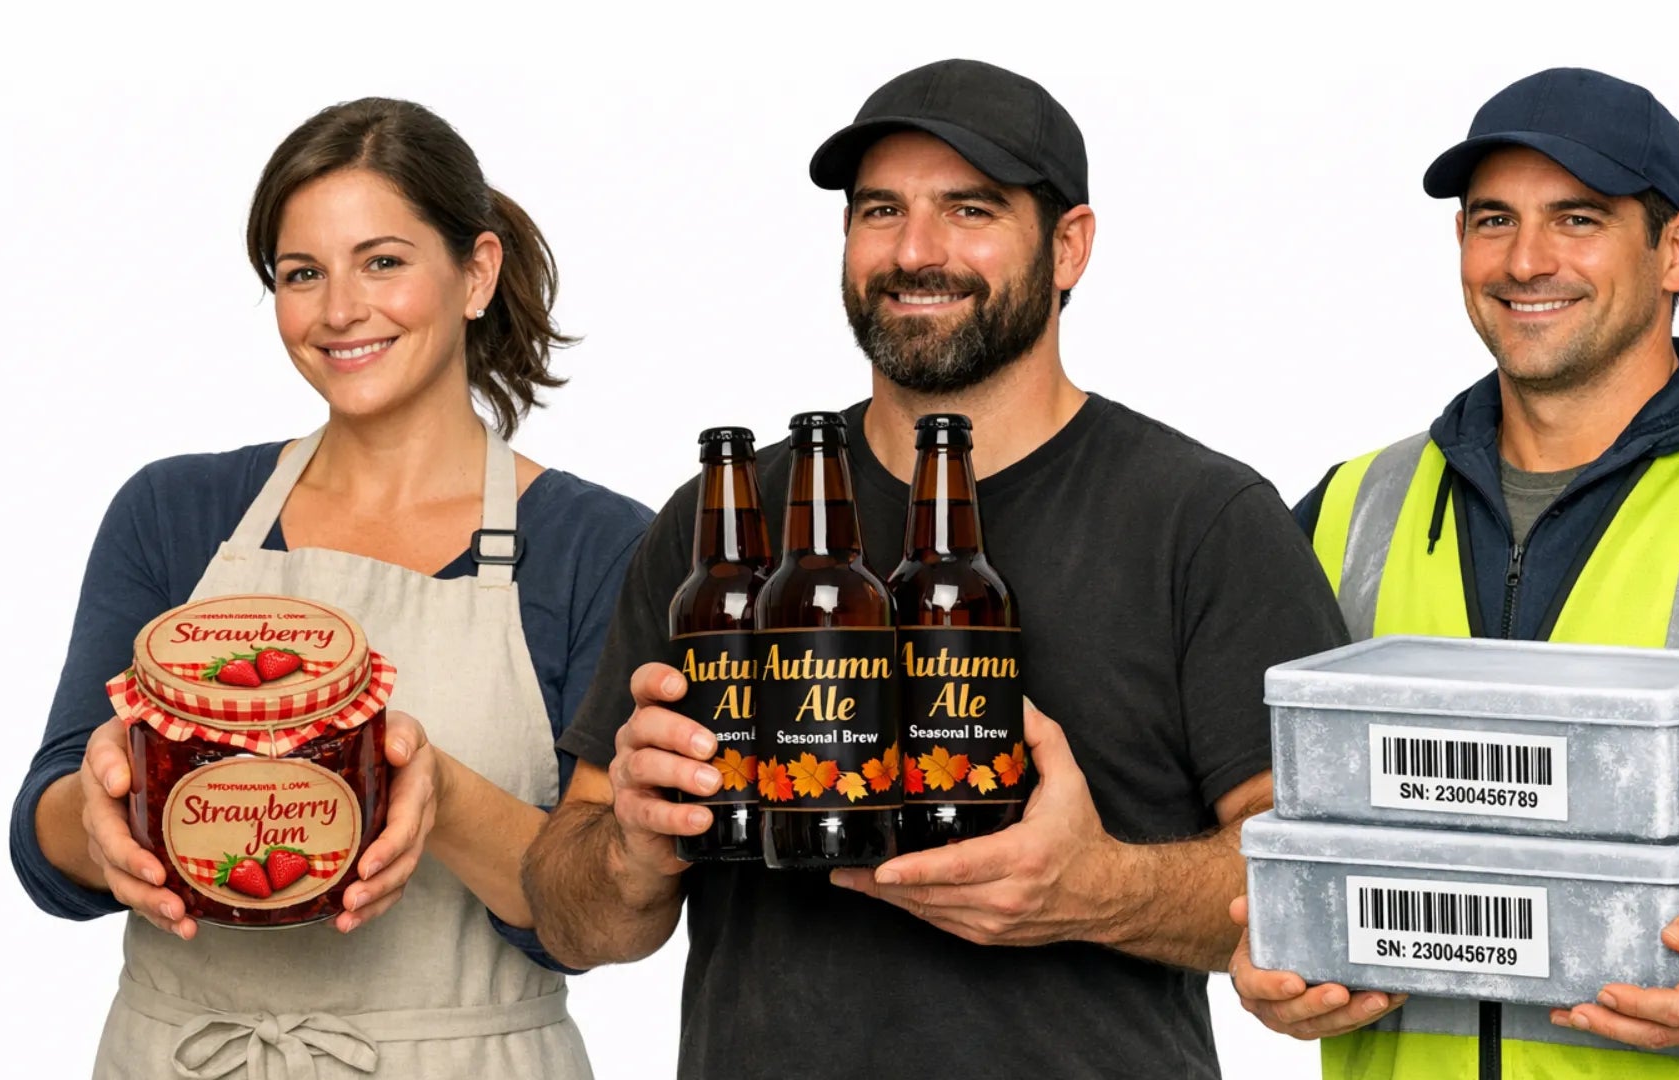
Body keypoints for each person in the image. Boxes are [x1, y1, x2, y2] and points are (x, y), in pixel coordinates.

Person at [521, 58, 1347, 1079]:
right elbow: (569, 916)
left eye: (970, 208)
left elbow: (1323, 883)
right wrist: (631, 851)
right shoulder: (726, 528)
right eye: (880, 211)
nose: (915, 251)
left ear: (1070, 248)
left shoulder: (1202, 520)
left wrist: (1096, 887)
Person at [1228, 67, 1679, 1078]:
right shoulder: (1348, 512)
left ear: (1675, 248)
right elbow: (1230, 822)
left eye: (1579, 219)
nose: (1526, 260)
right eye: (1492, 219)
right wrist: (1254, 943)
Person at [10, 97, 651, 1078]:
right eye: (301, 274)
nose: (338, 310)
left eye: (382, 261)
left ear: (475, 272)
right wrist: (107, 809)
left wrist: (426, 788)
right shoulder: (175, 512)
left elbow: (606, 918)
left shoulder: (596, 548)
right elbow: (44, 831)